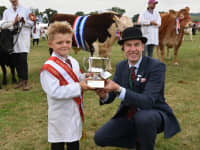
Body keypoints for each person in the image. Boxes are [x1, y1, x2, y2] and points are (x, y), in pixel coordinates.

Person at [94, 27, 181, 150]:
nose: (133, 49)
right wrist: (104, 95)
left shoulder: (157, 66)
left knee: (143, 118)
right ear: (123, 48)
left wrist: (119, 89)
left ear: (142, 46)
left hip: (154, 114)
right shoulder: (121, 66)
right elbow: (112, 95)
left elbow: (148, 101)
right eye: (128, 45)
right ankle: (137, 142)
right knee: (100, 138)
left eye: (136, 45)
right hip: (129, 115)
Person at [40, 21, 94, 150]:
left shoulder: (73, 61)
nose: (64, 45)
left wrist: (86, 77)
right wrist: (79, 86)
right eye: (59, 42)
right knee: (58, 142)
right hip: (60, 113)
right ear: (50, 44)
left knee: (74, 140)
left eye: (68, 42)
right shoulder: (48, 68)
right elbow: (55, 91)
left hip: (73, 108)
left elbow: (77, 77)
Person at [2, 0, 34, 90]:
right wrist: (13, 22)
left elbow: (32, 23)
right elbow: (3, 25)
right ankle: (20, 80)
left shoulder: (27, 10)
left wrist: (24, 22)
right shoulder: (6, 12)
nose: (13, 2)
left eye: (15, 1)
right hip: (12, 40)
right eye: (12, 1)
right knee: (15, 61)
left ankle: (26, 81)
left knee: (23, 60)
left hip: (23, 39)